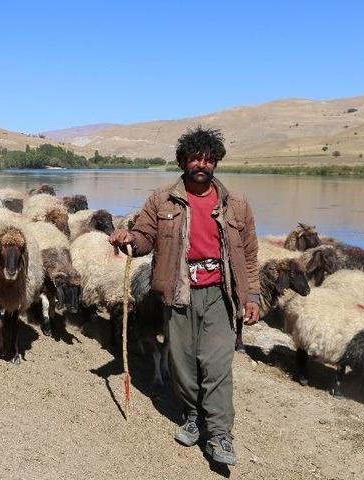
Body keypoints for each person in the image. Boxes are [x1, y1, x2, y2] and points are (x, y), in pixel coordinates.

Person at [109, 126, 260, 466]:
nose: (202, 164)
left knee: (217, 363)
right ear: (183, 161)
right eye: (195, 158)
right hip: (178, 290)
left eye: (208, 159)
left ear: (216, 163)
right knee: (182, 362)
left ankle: (221, 433)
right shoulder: (162, 199)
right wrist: (128, 240)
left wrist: (252, 294)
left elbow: (249, 254)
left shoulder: (236, 204)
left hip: (221, 293)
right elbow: (145, 238)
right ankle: (192, 415)